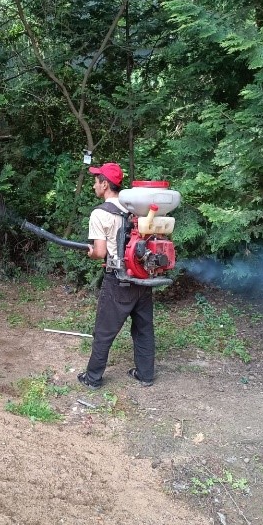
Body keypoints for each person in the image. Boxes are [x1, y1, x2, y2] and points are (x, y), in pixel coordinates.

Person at [78, 162, 156, 389]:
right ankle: (145, 374)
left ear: (104, 184)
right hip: (142, 278)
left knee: (104, 332)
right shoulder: (135, 209)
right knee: (143, 329)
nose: (93, 185)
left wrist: (92, 253)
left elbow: (100, 252)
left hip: (118, 280)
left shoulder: (99, 213)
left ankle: (92, 378)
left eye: (96, 181)